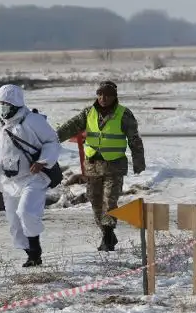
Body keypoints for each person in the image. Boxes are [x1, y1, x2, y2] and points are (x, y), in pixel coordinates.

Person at [0, 84, 60, 267]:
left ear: (15, 104)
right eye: (1, 104)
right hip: (9, 181)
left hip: (33, 177)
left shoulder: (33, 121)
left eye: (6, 104)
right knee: (15, 224)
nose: (2, 107)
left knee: (26, 212)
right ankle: (29, 253)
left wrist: (43, 161)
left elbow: (52, 142)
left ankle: (35, 252)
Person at [55, 80, 145, 251]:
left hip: (114, 166)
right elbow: (70, 127)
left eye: (108, 95)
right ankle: (107, 233)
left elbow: (134, 139)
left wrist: (138, 161)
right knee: (95, 200)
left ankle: (108, 238)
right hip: (92, 166)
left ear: (114, 97)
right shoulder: (88, 112)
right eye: (100, 94)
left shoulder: (124, 114)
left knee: (109, 201)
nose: (103, 98)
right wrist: (51, 139)